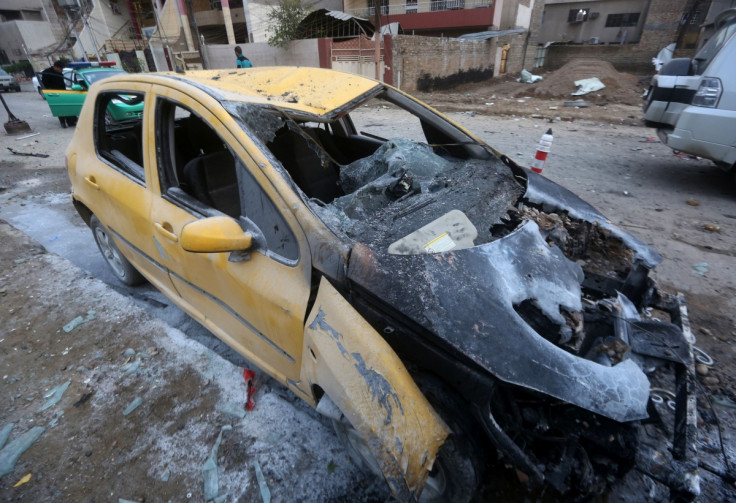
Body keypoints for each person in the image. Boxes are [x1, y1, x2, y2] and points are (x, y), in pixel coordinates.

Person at [41, 61, 76, 128]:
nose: (61, 70)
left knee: (67, 107)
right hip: (54, 93)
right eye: (61, 69)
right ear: (56, 67)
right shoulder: (46, 73)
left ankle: (71, 122)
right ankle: (62, 122)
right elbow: (45, 84)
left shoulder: (59, 73)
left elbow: (62, 83)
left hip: (62, 92)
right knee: (59, 108)